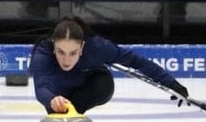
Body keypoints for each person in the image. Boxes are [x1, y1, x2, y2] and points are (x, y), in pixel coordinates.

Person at [29, 16, 189, 115]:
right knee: (55, 106)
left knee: (104, 84)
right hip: (58, 93)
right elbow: (41, 87)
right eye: (60, 52)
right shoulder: (43, 53)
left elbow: (136, 61)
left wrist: (172, 84)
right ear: (53, 45)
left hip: (86, 88)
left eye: (73, 53)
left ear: (82, 47)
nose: (66, 60)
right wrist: (51, 100)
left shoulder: (98, 48)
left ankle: (74, 111)